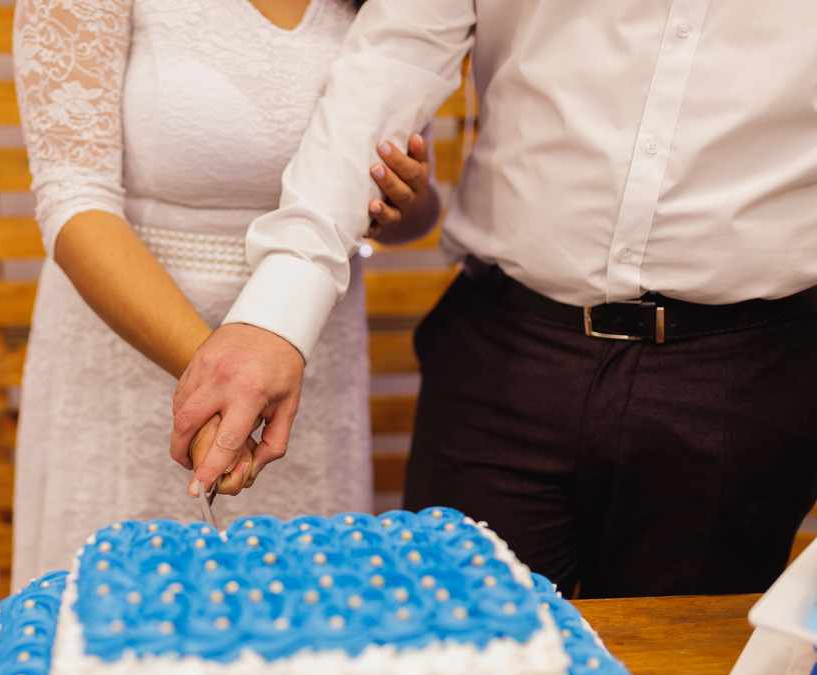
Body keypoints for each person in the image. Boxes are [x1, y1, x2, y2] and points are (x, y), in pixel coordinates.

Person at [171, 0, 817, 598]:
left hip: (750, 377)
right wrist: (277, 314)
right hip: (503, 357)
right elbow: (395, 58)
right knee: (451, 669)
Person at [9, 0, 442, 589]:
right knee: (120, 623)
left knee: (300, 621)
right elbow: (72, 199)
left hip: (307, 366)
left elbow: (412, 215)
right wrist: (224, 378)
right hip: (136, 351)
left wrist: (406, 204)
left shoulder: (398, 11)